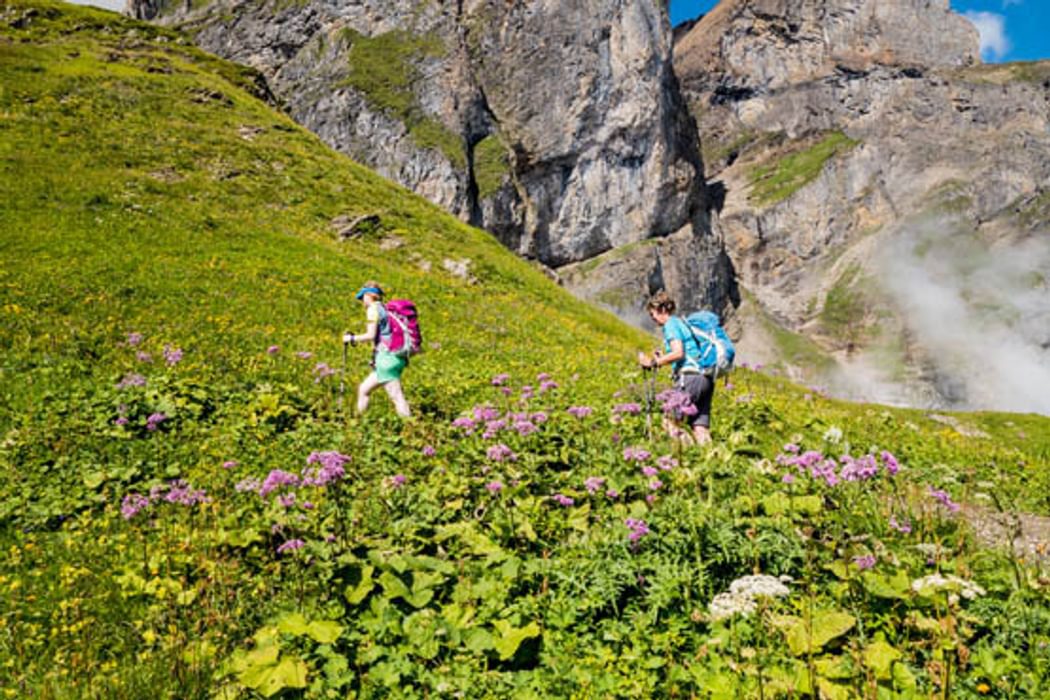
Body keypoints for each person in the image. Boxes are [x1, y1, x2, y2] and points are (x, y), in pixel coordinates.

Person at [637, 290, 714, 445]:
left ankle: (688, 455)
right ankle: (714, 462)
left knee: (669, 421)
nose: (653, 319)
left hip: (690, 378)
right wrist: (663, 357)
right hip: (705, 378)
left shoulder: (671, 324)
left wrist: (653, 362)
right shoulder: (681, 323)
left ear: (662, 310)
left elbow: (679, 353)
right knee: (699, 427)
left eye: (653, 315)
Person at [343, 282, 411, 418]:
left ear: (369, 295)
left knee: (397, 396)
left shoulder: (372, 310)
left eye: (362, 297)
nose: (362, 301)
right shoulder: (385, 308)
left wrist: (351, 339)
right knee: (363, 389)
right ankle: (357, 422)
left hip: (386, 358)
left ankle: (411, 427)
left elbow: (370, 335)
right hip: (396, 357)